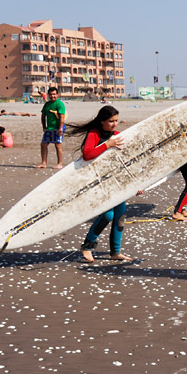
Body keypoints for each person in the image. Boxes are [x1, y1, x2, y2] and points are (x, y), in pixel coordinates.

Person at [70, 106, 131, 262]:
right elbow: (87, 154)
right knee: (107, 214)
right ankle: (87, 247)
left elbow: (125, 161)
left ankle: (115, 252)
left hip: (116, 182)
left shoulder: (117, 136)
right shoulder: (94, 134)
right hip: (97, 181)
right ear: (102, 121)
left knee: (120, 217)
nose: (114, 124)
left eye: (116, 120)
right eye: (111, 121)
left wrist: (135, 184)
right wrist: (107, 145)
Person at [36, 87, 66, 169]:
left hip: (58, 127)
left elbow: (62, 117)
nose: (52, 96)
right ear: (48, 95)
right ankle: (43, 163)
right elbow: (43, 116)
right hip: (49, 128)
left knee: (57, 145)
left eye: (54, 94)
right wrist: (44, 127)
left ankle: (60, 163)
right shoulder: (47, 104)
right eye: (51, 94)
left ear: (57, 94)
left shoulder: (59, 104)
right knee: (43, 144)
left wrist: (60, 129)